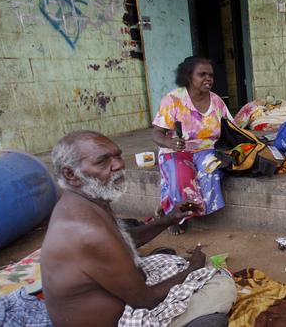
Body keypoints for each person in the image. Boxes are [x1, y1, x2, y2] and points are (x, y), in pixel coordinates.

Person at [41, 131, 236, 327]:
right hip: (124, 317)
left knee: (184, 264)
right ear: (71, 174)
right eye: (103, 161)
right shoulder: (87, 230)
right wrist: (193, 268)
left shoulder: (83, 201)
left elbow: (123, 240)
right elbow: (145, 300)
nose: (118, 164)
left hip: (126, 297)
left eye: (117, 155)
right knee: (221, 288)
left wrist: (168, 220)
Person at [152, 57, 233, 234]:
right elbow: (156, 133)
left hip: (206, 149)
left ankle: (188, 209)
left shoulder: (217, 101)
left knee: (211, 170)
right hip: (176, 149)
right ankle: (176, 217)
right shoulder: (173, 100)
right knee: (181, 174)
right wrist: (169, 142)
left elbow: (231, 128)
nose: (208, 79)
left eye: (211, 75)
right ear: (189, 77)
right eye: (202, 74)